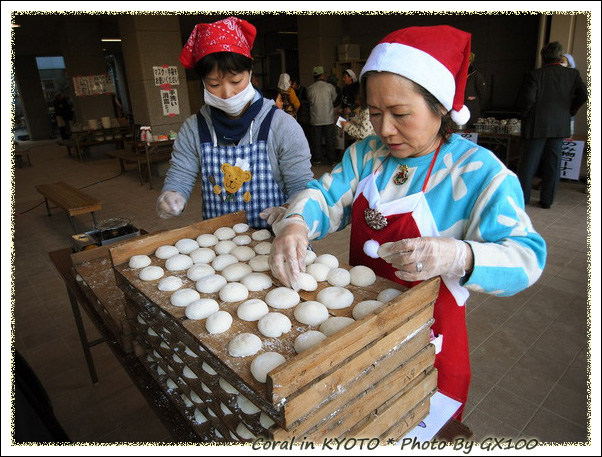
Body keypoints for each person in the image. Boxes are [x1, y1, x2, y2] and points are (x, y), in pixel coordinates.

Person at [268, 25, 547, 420]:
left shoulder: (480, 174)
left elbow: (526, 258)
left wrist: (460, 256)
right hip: (360, 327)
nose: (384, 129)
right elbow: (327, 196)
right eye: (375, 113)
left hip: (430, 342)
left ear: (440, 108)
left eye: (400, 114)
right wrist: (297, 222)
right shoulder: (367, 155)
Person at [156, 16, 313, 229]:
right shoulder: (195, 128)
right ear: (203, 82)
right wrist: (172, 195)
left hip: (277, 238)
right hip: (219, 243)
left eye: (236, 81)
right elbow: (181, 174)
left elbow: (301, 185)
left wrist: (290, 209)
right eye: (214, 84)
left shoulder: (282, 126)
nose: (227, 93)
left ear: (250, 72)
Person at [516, 41, 587, 209]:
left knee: (528, 165)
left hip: (536, 125)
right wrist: (570, 111)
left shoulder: (536, 75)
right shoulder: (573, 74)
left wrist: (523, 115)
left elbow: (528, 100)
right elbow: (583, 94)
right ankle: (547, 200)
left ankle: (522, 200)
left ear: (543, 57)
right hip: (559, 126)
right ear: (559, 56)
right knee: (553, 165)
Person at [307, 66, 338, 166]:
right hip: (328, 118)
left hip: (315, 119)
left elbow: (309, 101)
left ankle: (317, 161)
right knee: (330, 140)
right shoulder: (330, 87)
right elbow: (334, 99)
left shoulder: (310, 88)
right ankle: (332, 160)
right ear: (323, 75)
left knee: (316, 141)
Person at [463, 52, 489, 127]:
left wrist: (476, 105)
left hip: (472, 113)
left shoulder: (477, 76)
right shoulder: (458, 76)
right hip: (459, 113)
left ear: (470, 62)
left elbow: (483, 95)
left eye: (466, 61)